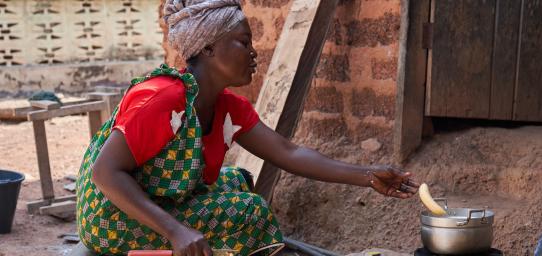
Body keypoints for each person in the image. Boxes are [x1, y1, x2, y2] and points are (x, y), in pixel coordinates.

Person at [75, 0, 419, 255]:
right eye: (244, 42)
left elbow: (287, 152)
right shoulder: (163, 98)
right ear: (208, 47)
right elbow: (105, 173)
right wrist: (176, 231)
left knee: (238, 180)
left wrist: (368, 175)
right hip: (109, 211)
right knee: (249, 212)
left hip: (154, 191)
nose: (254, 53)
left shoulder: (226, 107)